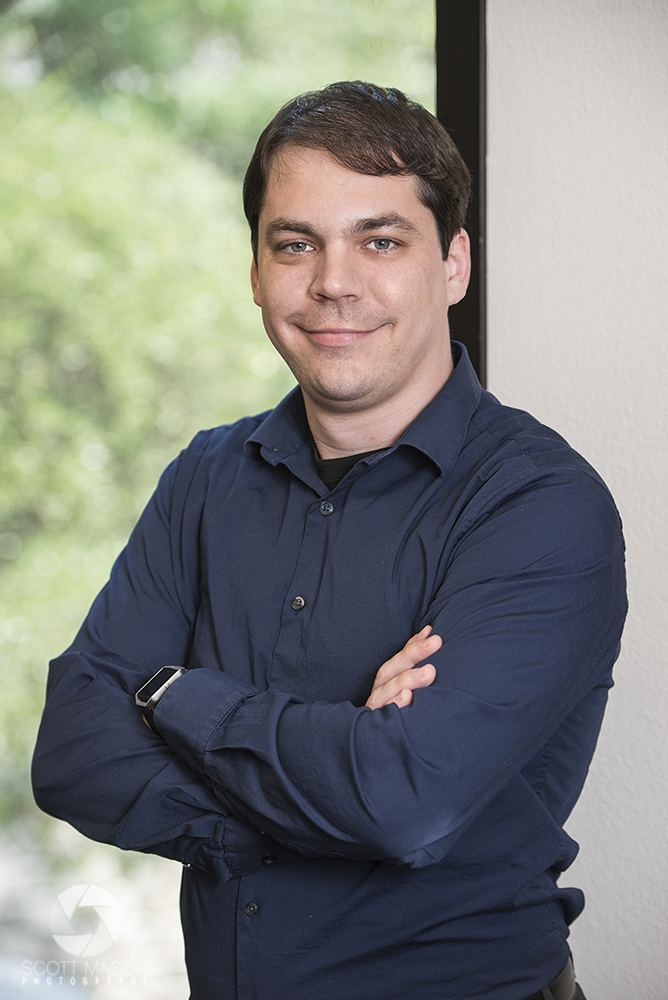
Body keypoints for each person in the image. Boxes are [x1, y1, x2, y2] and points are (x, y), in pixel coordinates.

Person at [32, 81, 627, 1000]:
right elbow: (72, 752)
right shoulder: (205, 477)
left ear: (455, 263)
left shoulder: (539, 504)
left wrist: (177, 697)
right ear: (257, 270)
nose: (333, 282)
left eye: (380, 240)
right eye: (295, 243)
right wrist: (329, 773)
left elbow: (404, 801)